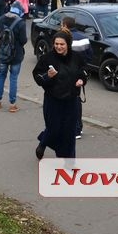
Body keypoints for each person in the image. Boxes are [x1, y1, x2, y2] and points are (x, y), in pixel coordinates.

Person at [32, 28, 88, 159]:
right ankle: (43, 142)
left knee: (69, 132)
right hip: (53, 101)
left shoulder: (76, 57)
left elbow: (84, 70)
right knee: (53, 129)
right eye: (56, 44)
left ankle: (68, 160)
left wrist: (82, 80)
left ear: (68, 44)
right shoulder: (47, 58)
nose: (58, 47)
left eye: (62, 44)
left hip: (72, 100)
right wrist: (47, 76)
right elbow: (37, 77)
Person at [0, 1, 28, 113]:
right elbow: (23, 40)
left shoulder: (1, 19)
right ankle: (12, 104)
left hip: (3, 53)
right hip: (16, 55)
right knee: (13, 78)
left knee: (1, 76)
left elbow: (0, 35)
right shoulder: (20, 23)